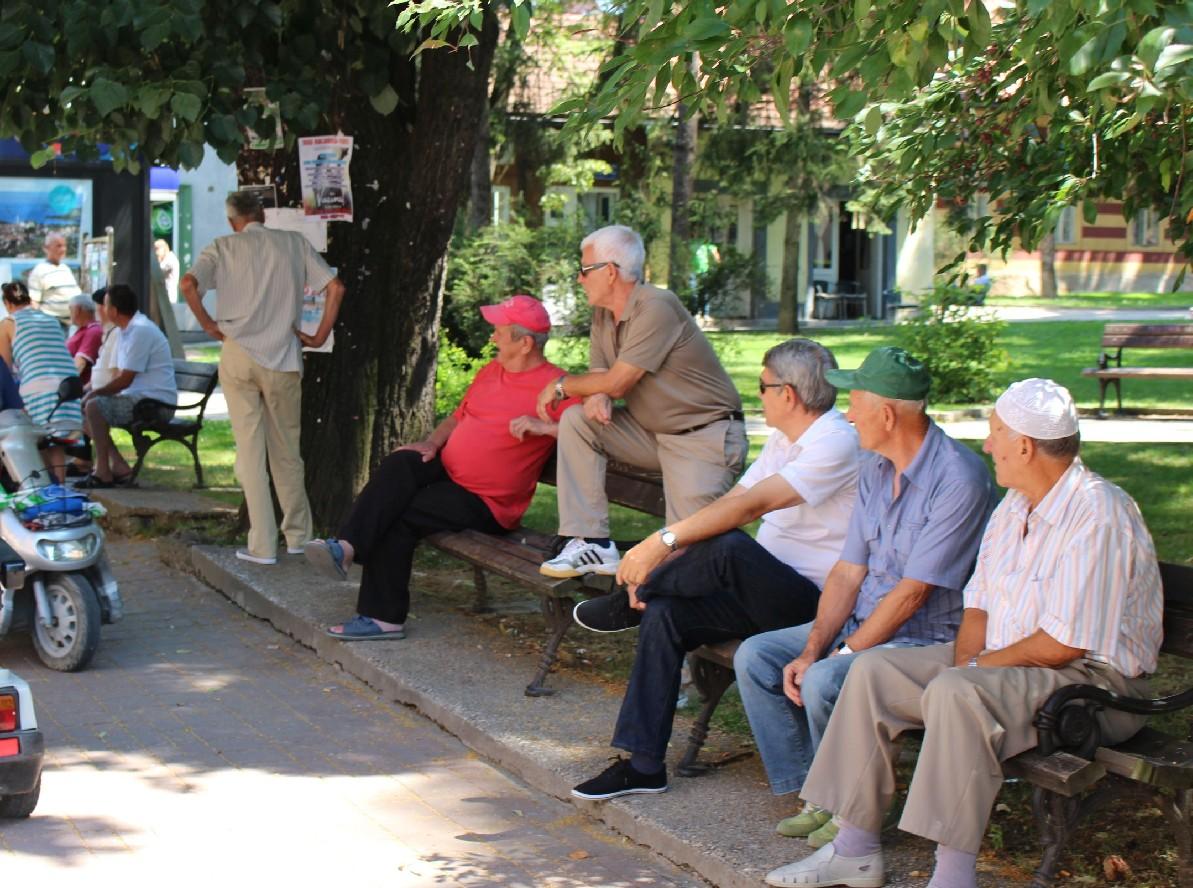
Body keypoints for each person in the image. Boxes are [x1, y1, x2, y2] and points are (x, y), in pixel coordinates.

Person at [766, 378, 1163, 888]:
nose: (988, 445)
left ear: (1025, 446)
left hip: (1096, 686)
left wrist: (971, 673)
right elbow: (977, 604)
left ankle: (952, 877)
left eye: (996, 433)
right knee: (870, 673)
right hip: (1016, 664)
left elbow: (1063, 645)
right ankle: (854, 849)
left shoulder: (1099, 513)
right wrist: (969, 662)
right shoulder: (1014, 506)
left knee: (958, 692)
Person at [569, 338, 860, 802]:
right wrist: (666, 550)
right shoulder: (788, 440)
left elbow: (754, 505)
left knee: (726, 547)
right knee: (664, 612)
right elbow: (732, 498)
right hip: (759, 593)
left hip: (812, 605)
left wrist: (660, 542)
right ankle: (642, 765)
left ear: (788, 394)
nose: (757, 396)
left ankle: (627, 599)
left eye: (762, 387)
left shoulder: (837, 441)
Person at [733, 346, 997, 848]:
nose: (846, 412)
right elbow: (848, 570)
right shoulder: (875, 466)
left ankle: (853, 805)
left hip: (925, 640)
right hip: (865, 622)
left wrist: (841, 654)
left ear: (887, 413)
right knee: (758, 657)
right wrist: (813, 647)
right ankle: (818, 791)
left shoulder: (958, 478)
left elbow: (913, 594)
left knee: (829, 677)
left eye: (854, 401)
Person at [304, 296, 577, 641]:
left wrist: (546, 428)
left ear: (524, 343)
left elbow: (596, 431)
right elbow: (458, 416)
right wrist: (432, 443)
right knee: (403, 460)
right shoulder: (492, 371)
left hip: (487, 501)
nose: (492, 338)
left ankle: (382, 618)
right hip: (448, 470)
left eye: (499, 332)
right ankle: (345, 547)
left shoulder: (558, 386)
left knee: (400, 515)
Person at [534, 225, 747, 578]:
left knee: (687, 559)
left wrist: (563, 385)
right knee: (577, 421)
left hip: (702, 438)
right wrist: (595, 392)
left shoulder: (657, 306)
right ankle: (593, 542)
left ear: (610, 272)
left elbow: (618, 381)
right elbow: (602, 373)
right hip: (651, 434)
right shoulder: (603, 314)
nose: (579, 279)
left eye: (584, 271)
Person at [180, 190, 345, 565]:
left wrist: (207, 323)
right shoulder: (292, 242)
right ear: (263, 216)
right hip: (284, 354)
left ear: (231, 221)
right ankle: (300, 537)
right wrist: (318, 335)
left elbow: (189, 284)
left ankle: (263, 545)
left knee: (250, 452)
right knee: (288, 450)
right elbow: (336, 287)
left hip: (238, 351)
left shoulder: (222, 247)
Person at [78, 284, 177, 489]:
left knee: (94, 407)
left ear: (114, 310)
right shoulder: (127, 330)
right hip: (139, 398)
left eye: (105, 305)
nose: (103, 310)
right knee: (84, 409)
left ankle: (103, 472)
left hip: (154, 404)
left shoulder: (140, 331)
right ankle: (118, 466)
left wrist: (95, 393)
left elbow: (125, 380)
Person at [0, 281, 84, 480]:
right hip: (69, 386)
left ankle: (43, 486)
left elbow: (4, 369)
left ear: (7, 303)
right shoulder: (50, 319)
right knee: (54, 440)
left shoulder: (8, 324)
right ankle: (60, 488)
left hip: (38, 390)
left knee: (32, 434)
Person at [26, 233, 81, 324]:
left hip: (70, 324)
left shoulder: (65, 268)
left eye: (64, 246)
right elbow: (34, 303)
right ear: (46, 248)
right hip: (51, 326)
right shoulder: (39, 271)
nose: (63, 249)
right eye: (58, 246)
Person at [66, 292, 103, 386]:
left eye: (70, 310)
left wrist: (63, 385)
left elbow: (80, 364)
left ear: (77, 310)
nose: (69, 314)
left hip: (79, 387)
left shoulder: (93, 331)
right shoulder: (84, 330)